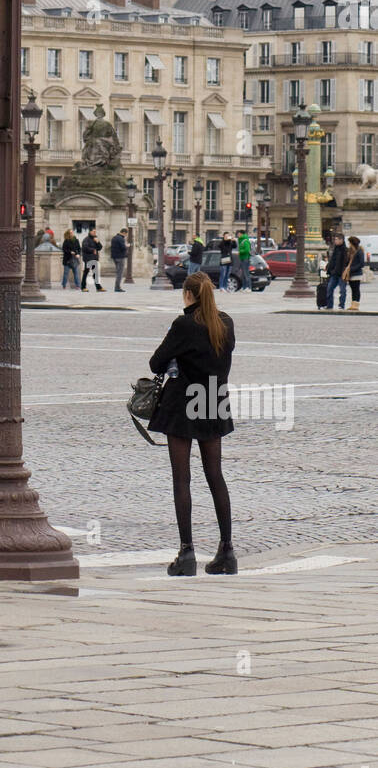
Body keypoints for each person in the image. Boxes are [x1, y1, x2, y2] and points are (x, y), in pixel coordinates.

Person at [148, 271, 237, 577]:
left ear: (188, 294)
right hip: (212, 399)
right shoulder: (225, 322)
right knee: (216, 476)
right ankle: (227, 550)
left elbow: (156, 362)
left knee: (182, 479)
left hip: (184, 405)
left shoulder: (184, 325)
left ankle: (187, 553)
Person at [325, 233, 348, 311]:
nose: (335, 241)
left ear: (341, 240)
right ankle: (329, 305)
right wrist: (329, 269)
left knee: (342, 290)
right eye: (335, 239)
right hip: (334, 273)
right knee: (329, 289)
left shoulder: (345, 250)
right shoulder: (335, 248)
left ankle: (341, 305)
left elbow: (345, 262)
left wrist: (343, 272)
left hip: (341, 274)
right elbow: (332, 261)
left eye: (336, 239)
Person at [343, 236, 365, 312]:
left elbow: (361, 263)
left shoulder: (359, 251)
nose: (349, 244)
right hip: (351, 274)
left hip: (356, 273)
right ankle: (353, 304)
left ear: (352, 243)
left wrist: (352, 269)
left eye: (349, 242)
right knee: (353, 289)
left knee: (356, 289)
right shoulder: (350, 251)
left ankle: (356, 305)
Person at [110, 227, 128, 292]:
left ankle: (117, 286)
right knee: (120, 273)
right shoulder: (121, 239)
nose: (126, 236)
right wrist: (127, 246)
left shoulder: (114, 238)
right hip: (120, 257)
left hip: (115, 257)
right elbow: (123, 248)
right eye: (126, 234)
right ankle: (117, 287)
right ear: (124, 233)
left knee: (118, 272)